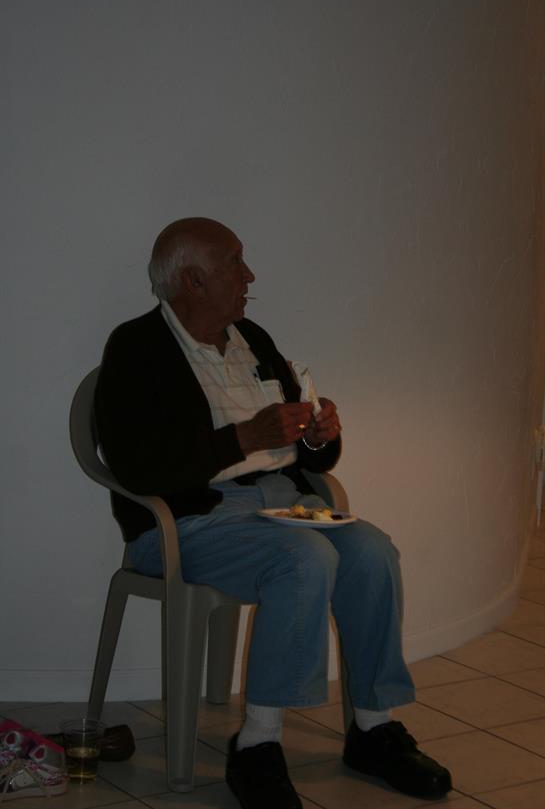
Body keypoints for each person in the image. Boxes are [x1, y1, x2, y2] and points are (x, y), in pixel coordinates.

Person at [95, 217, 452, 809]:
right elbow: (138, 468)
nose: (250, 276)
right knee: (304, 559)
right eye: (235, 263)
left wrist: (317, 435)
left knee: (372, 551)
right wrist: (242, 439)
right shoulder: (136, 348)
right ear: (193, 280)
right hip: (188, 521)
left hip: (286, 504)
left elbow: (305, 451)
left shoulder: (252, 338)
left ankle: (374, 728)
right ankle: (257, 746)